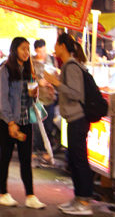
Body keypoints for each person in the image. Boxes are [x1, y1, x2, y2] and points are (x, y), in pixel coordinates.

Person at [44, 33, 94, 215]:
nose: (54, 48)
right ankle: (78, 198)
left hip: (78, 119)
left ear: (63, 46)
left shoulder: (71, 66)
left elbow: (75, 93)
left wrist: (56, 83)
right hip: (72, 119)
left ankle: (85, 202)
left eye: (56, 44)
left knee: (79, 160)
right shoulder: (67, 66)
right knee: (73, 160)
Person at [0, 37, 46, 209]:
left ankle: (30, 196)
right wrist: (11, 122)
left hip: (25, 121)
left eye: (28, 49)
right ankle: (3, 194)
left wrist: (35, 94)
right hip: (8, 122)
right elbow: (2, 100)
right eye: (23, 48)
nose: (26, 52)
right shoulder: (5, 71)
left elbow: (31, 98)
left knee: (26, 160)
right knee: (6, 157)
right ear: (14, 49)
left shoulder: (29, 70)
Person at [31, 39, 57, 165]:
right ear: (35, 50)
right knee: (37, 126)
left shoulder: (51, 60)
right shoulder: (31, 62)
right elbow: (26, 78)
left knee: (48, 125)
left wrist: (52, 82)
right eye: (40, 51)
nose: (42, 53)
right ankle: (37, 150)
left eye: (44, 50)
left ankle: (47, 151)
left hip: (49, 98)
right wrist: (38, 81)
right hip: (36, 99)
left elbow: (55, 74)